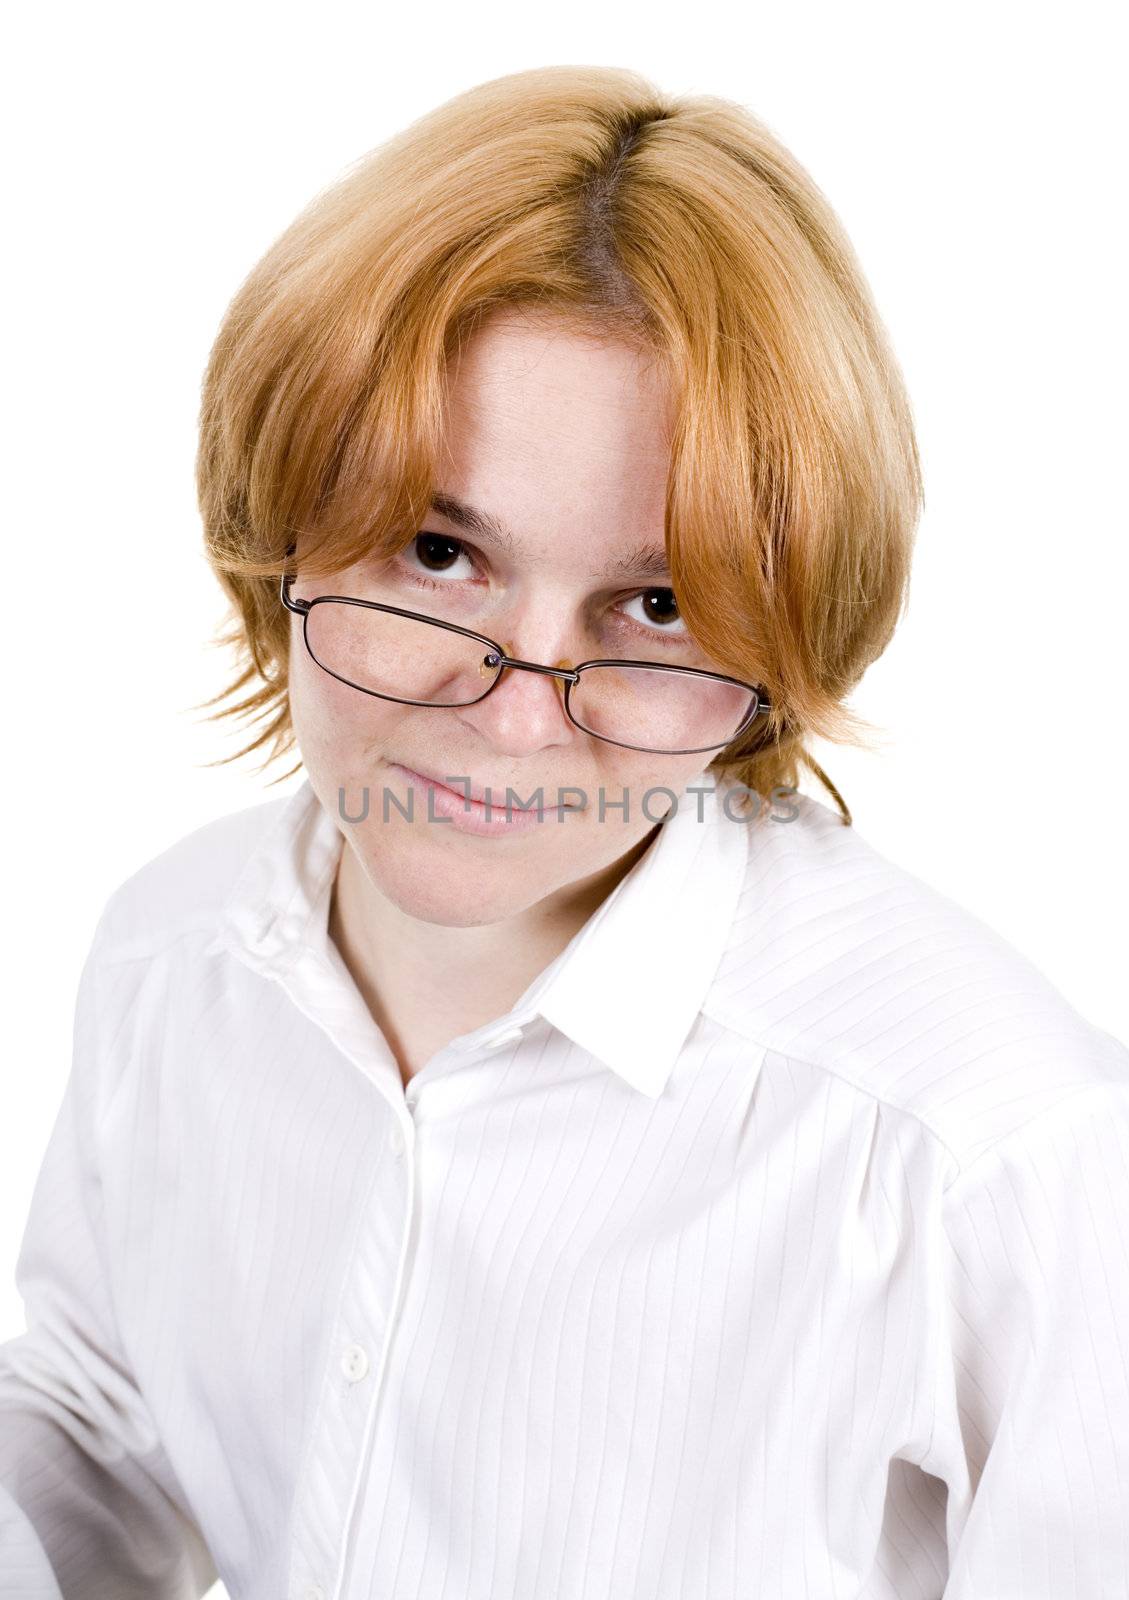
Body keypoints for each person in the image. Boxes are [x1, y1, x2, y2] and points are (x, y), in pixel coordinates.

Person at [2, 63, 1127, 1600]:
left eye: (655, 605)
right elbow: (97, 1426)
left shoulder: (984, 1153)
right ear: (277, 530)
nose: (517, 715)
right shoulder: (172, 951)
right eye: (438, 550)